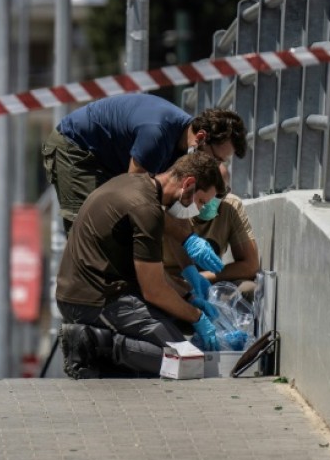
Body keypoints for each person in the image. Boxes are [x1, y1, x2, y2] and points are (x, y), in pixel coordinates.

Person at [41, 92, 247, 280]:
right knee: (91, 233)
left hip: (111, 158)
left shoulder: (185, 147)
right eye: (217, 159)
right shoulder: (157, 136)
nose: (215, 166)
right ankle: (83, 306)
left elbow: (174, 212)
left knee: (119, 233)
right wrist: (187, 239)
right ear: (201, 138)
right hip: (77, 148)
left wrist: (189, 270)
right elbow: (135, 200)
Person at [55, 152, 225, 379]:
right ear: (189, 184)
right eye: (201, 202)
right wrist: (196, 316)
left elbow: (152, 273)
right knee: (187, 361)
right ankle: (95, 344)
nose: (199, 210)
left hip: (97, 289)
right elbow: (153, 290)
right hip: (92, 300)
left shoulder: (135, 183)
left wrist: (189, 298)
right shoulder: (147, 209)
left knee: (178, 322)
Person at [164, 163, 260, 302]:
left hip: (209, 281)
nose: (211, 199)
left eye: (220, 193)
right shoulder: (173, 206)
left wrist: (200, 278)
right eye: (205, 195)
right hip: (171, 282)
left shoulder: (231, 207)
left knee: (248, 289)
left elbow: (250, 266)